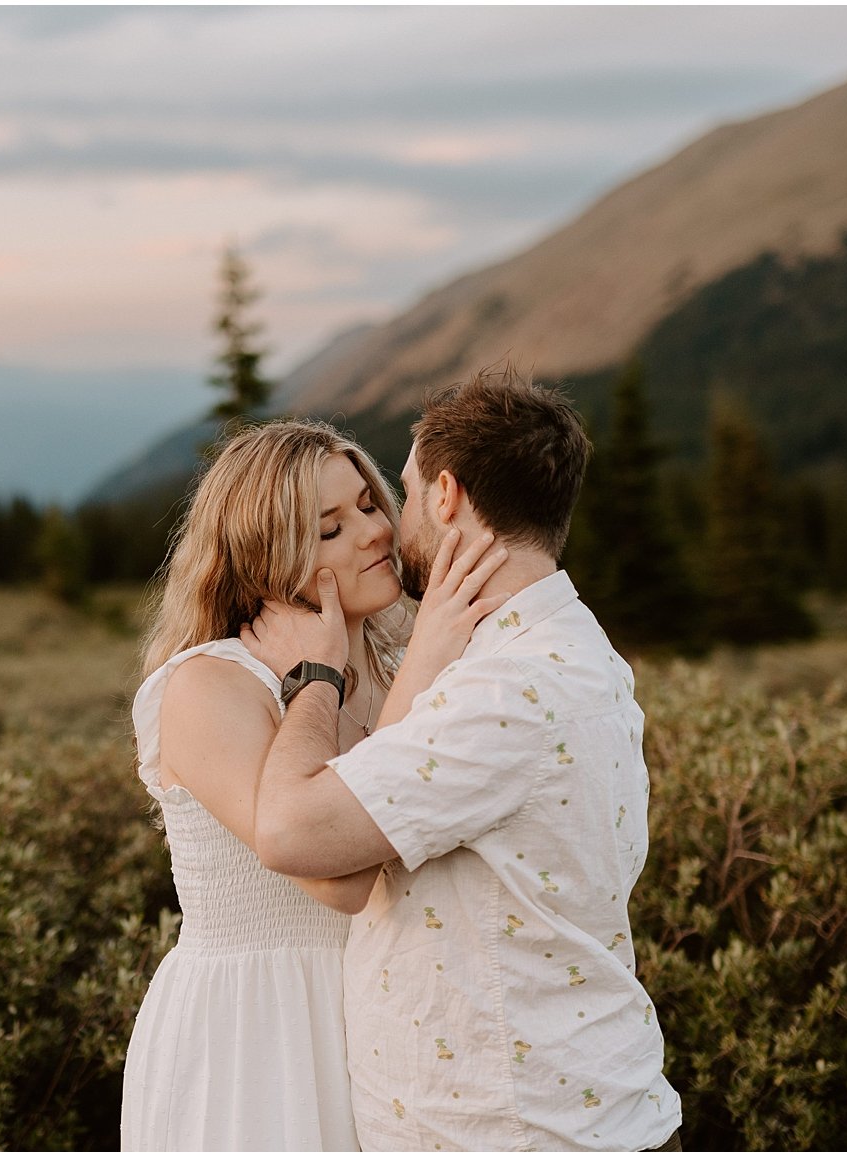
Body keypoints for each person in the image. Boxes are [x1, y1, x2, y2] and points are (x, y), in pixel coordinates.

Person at [241, 369, 683, 1151]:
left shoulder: (504, 690)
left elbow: (290, 830)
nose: (392, 525)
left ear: (446, 497)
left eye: (402, 496)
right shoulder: (569, 649)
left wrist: (315, 675)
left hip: (518, 1131)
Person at [123, 418, 455, 1150]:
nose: (374, 533)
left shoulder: (400, 664)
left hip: (386, 1011)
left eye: (369, 504)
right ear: (267, 563)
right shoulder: (208, 685)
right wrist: (321, 681)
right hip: (255, 1033)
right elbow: (337, 878)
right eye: (330, 529)